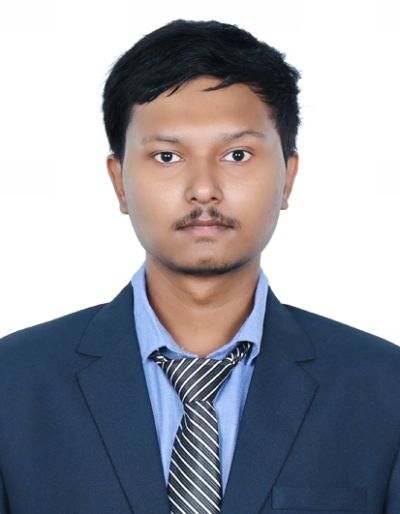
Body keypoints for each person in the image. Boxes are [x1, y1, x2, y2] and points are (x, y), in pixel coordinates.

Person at [0, 18, 399, 514]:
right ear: (120, 181)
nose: (204, 189)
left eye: (237, 154)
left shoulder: (385, 389)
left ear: (288, 177)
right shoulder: (12, 384)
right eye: (167, 156)